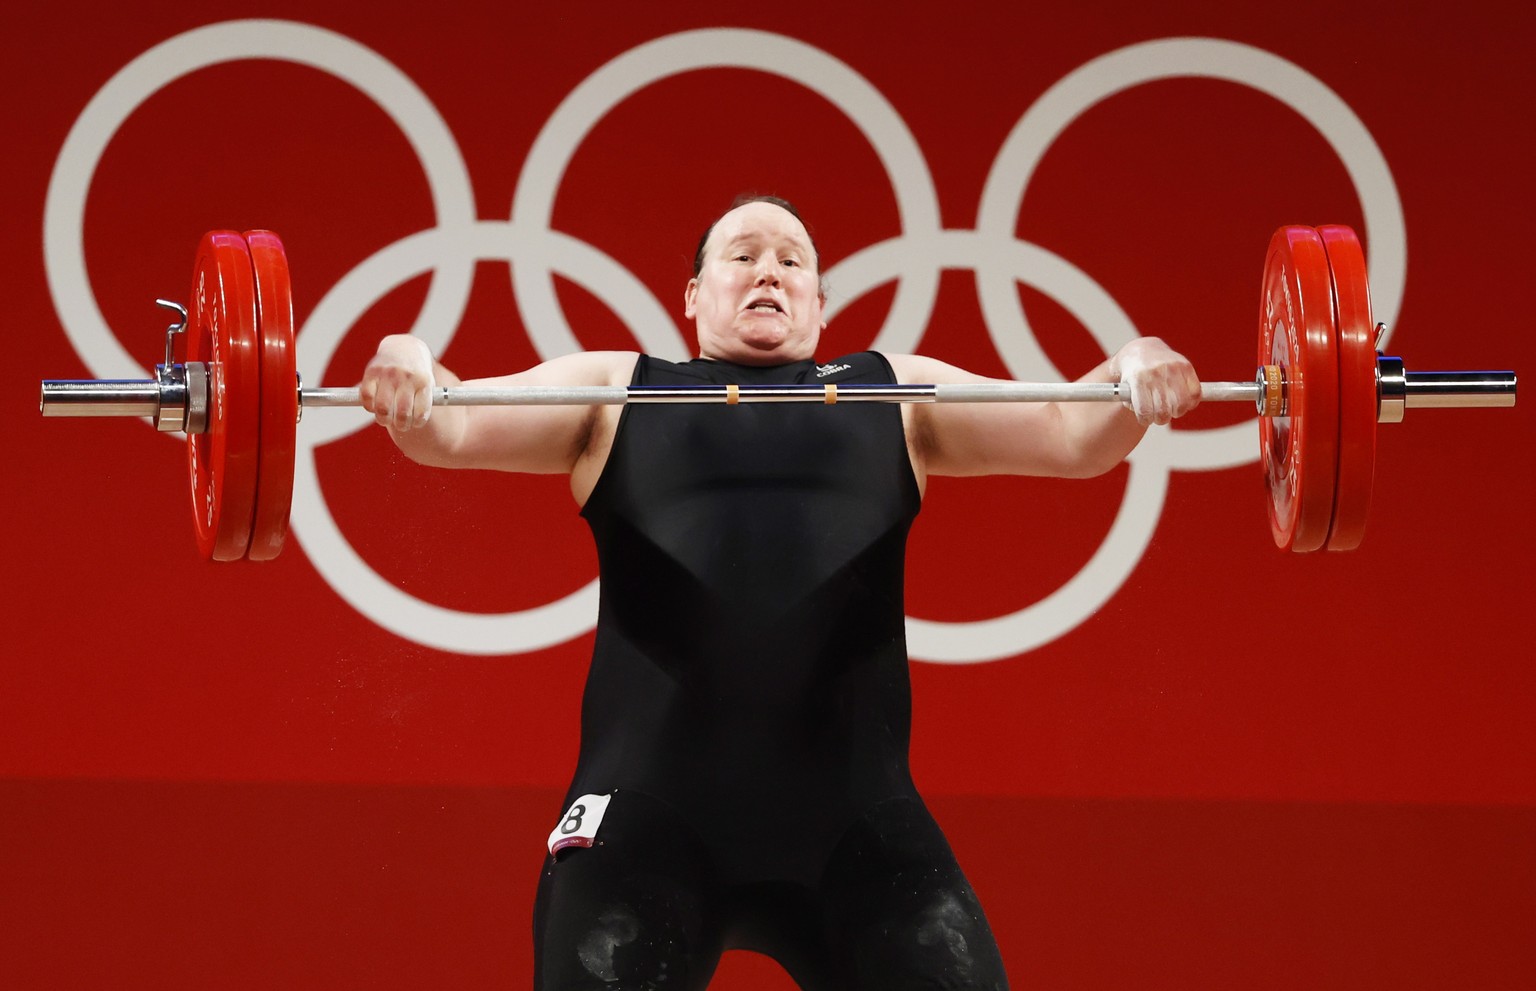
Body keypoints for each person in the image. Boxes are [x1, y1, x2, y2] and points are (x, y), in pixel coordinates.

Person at [360, 196, 1201, 990]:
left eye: (792, 261)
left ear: (821, 303)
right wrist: (408, 363)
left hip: (856, 829)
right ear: (694, 295)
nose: (770, 271)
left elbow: (1072, 434)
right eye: (744, 255)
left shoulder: (893, 393)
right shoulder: (615, 390)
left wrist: (1133, 367)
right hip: (644, 822)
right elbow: (454, 421)